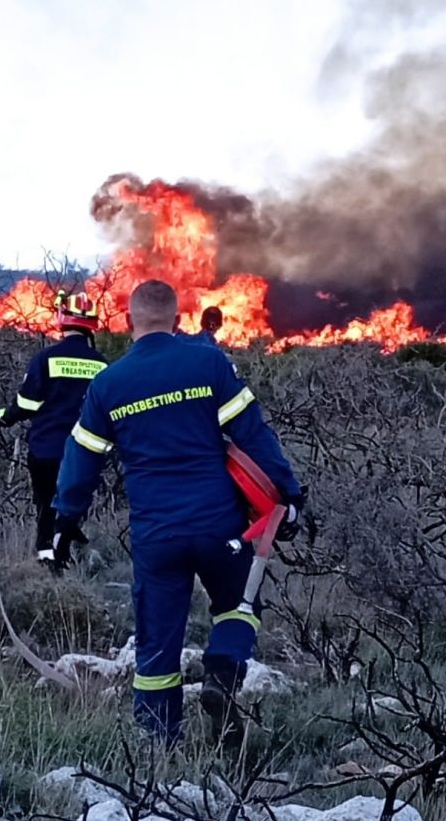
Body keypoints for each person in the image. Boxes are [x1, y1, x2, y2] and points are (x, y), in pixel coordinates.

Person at [53, 280, 303, 748]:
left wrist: (65, 518)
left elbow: (81, 456)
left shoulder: (108, 384)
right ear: (177, 319)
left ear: (128, 323)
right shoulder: (207, 361)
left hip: (156, 536)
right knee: (239, 606)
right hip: (219, 526)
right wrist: (289, 496)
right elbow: (254, 435)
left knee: (156, 642)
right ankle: (223, 670)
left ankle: (159, 749)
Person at [0, 291, 107, 569]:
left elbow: (27, 402)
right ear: (92, 325)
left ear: (62, 320)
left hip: (46, 449)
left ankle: (47, 556)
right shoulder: (103, 364)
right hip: (84, 453)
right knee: (72, 503)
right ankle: (64, 552)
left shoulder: (46, 359)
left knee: (45, 504)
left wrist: (5, 417)